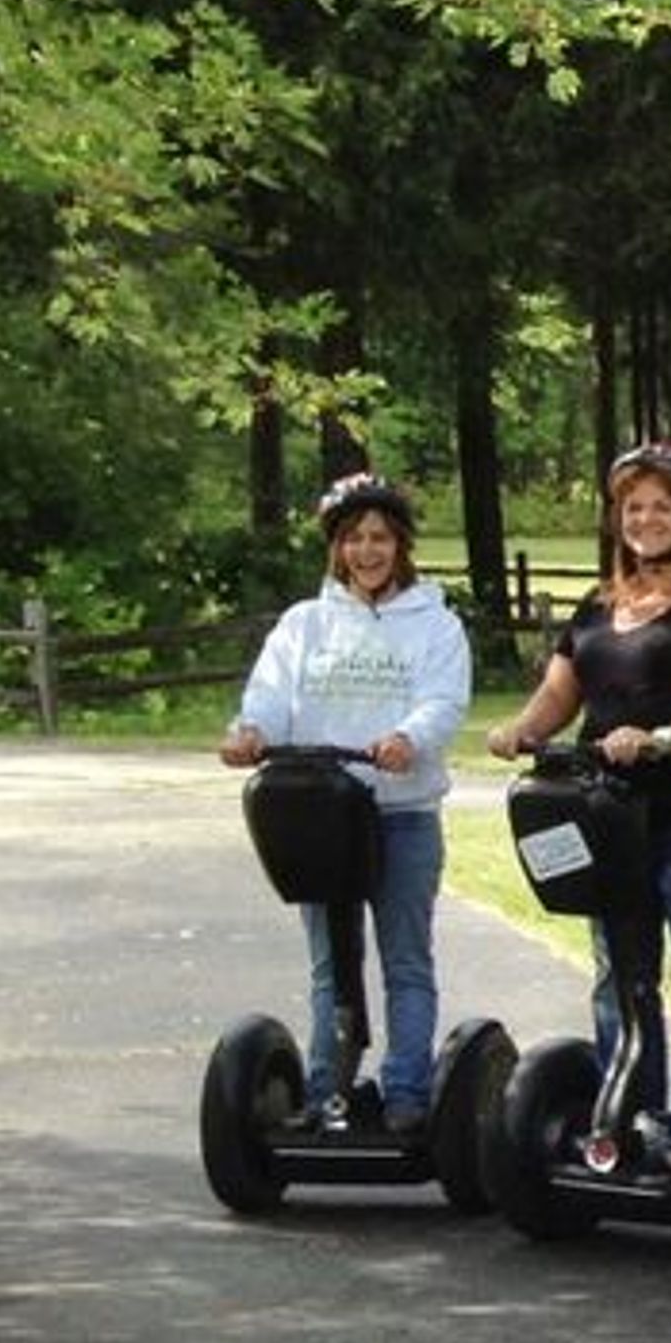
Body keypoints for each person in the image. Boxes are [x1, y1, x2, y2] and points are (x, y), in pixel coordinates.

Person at [482, 442, 671, 1122]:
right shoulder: (597, 606)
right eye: (633, 507)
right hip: (604, 814)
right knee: (618, 973)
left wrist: (663, 737)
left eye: (661, 506)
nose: (646, 519)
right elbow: (559, 696)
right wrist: (520, 730)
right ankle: (628, 1111)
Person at [219, 472, 475, 1124]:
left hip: (401, 813)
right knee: (331, 963)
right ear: (337, 548)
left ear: (401, 546)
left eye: (381, 538)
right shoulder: (305, 624)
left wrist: (408, 738)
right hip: (321, 817)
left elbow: (444, 702)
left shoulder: (436, 626)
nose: (368, 551)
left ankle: (407, 1095)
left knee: (405, 961)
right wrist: (251, 734)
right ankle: (326, 1087)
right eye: (355, 539)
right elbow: (271, 696)